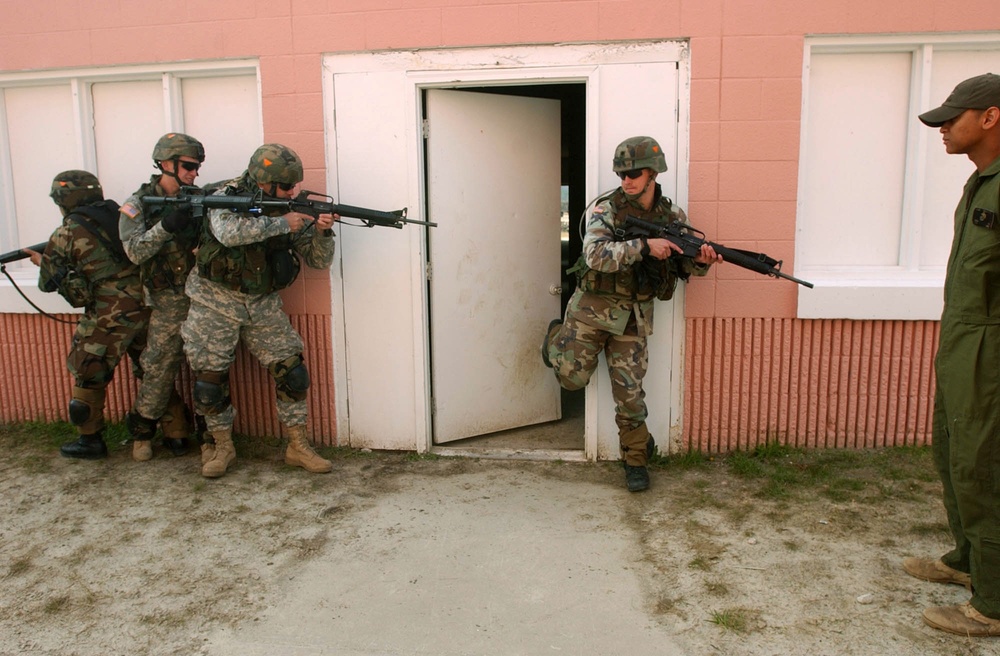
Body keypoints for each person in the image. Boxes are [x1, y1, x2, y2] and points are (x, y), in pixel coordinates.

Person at [541, 136, 720, 492]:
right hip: (590, 309)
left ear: (653, 173)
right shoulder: (606, 209)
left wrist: (701, 263)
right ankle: (554, 341)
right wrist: (642, 247)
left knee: (630, 394)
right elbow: (593, 255)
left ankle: (636, 459)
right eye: (621, 173)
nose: (627, 180)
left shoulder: (672, 216)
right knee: (571, 380)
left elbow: (685, 266)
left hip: (633, 318)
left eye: (634, 173)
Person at [905, 73, 1000, 637]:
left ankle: (992, 603)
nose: (942, 128)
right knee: (952, 452)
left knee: (983, 466)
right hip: (966, 342)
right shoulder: (981, 183)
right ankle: (969, 560)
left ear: (990, 117)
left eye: (952, 118)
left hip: (991, 349)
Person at [181, 143, 337, 478]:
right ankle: (222, 447)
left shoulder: (288, 207)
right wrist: (283, 224)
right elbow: (227, 233)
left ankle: (297, 446)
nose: (291, 191)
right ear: (263, 181)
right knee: (210, 381)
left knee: (292, 373)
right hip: (214, 301)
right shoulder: (226, 195)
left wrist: (322, 231)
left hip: (261, 302)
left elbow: (318, 260)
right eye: (284, 186)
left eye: (293, 185)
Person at [26, 171, 149, 459]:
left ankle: (90, 439)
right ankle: (177, 435)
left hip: (107, 316)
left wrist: (42, 262)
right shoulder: (122, 216)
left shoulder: (67, 232)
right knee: (154, 372)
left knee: (88, 372)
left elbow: (51, 285)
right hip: (146, 309)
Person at [118, 133, 205, 462]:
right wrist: (166, 226)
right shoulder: (137, 204)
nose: (193, 173)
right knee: (159, 366)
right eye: (188, 166)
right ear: (166, 164)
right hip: (166, 299)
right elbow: (135, 251)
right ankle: (142, 430)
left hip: (200, 295)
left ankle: (211, 436)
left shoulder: (198, 198)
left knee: (210, 365)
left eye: (196, 167)